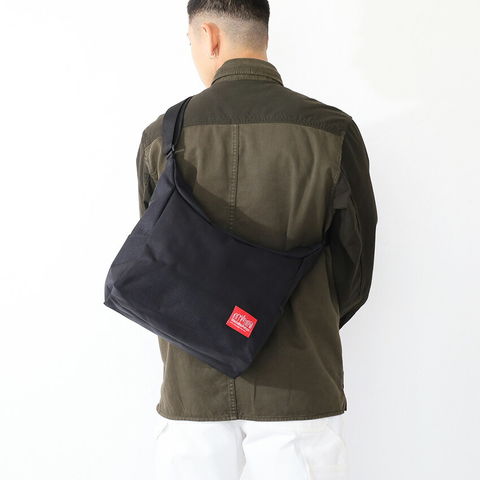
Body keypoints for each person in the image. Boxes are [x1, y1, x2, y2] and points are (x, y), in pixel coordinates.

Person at [135, 1, 378, 478]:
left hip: (192, 385)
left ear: (208, 36)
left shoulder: (160, 137)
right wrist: (304, 318)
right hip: (299, 381)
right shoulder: (331, 131)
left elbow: (156, 262)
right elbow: (355, 263)